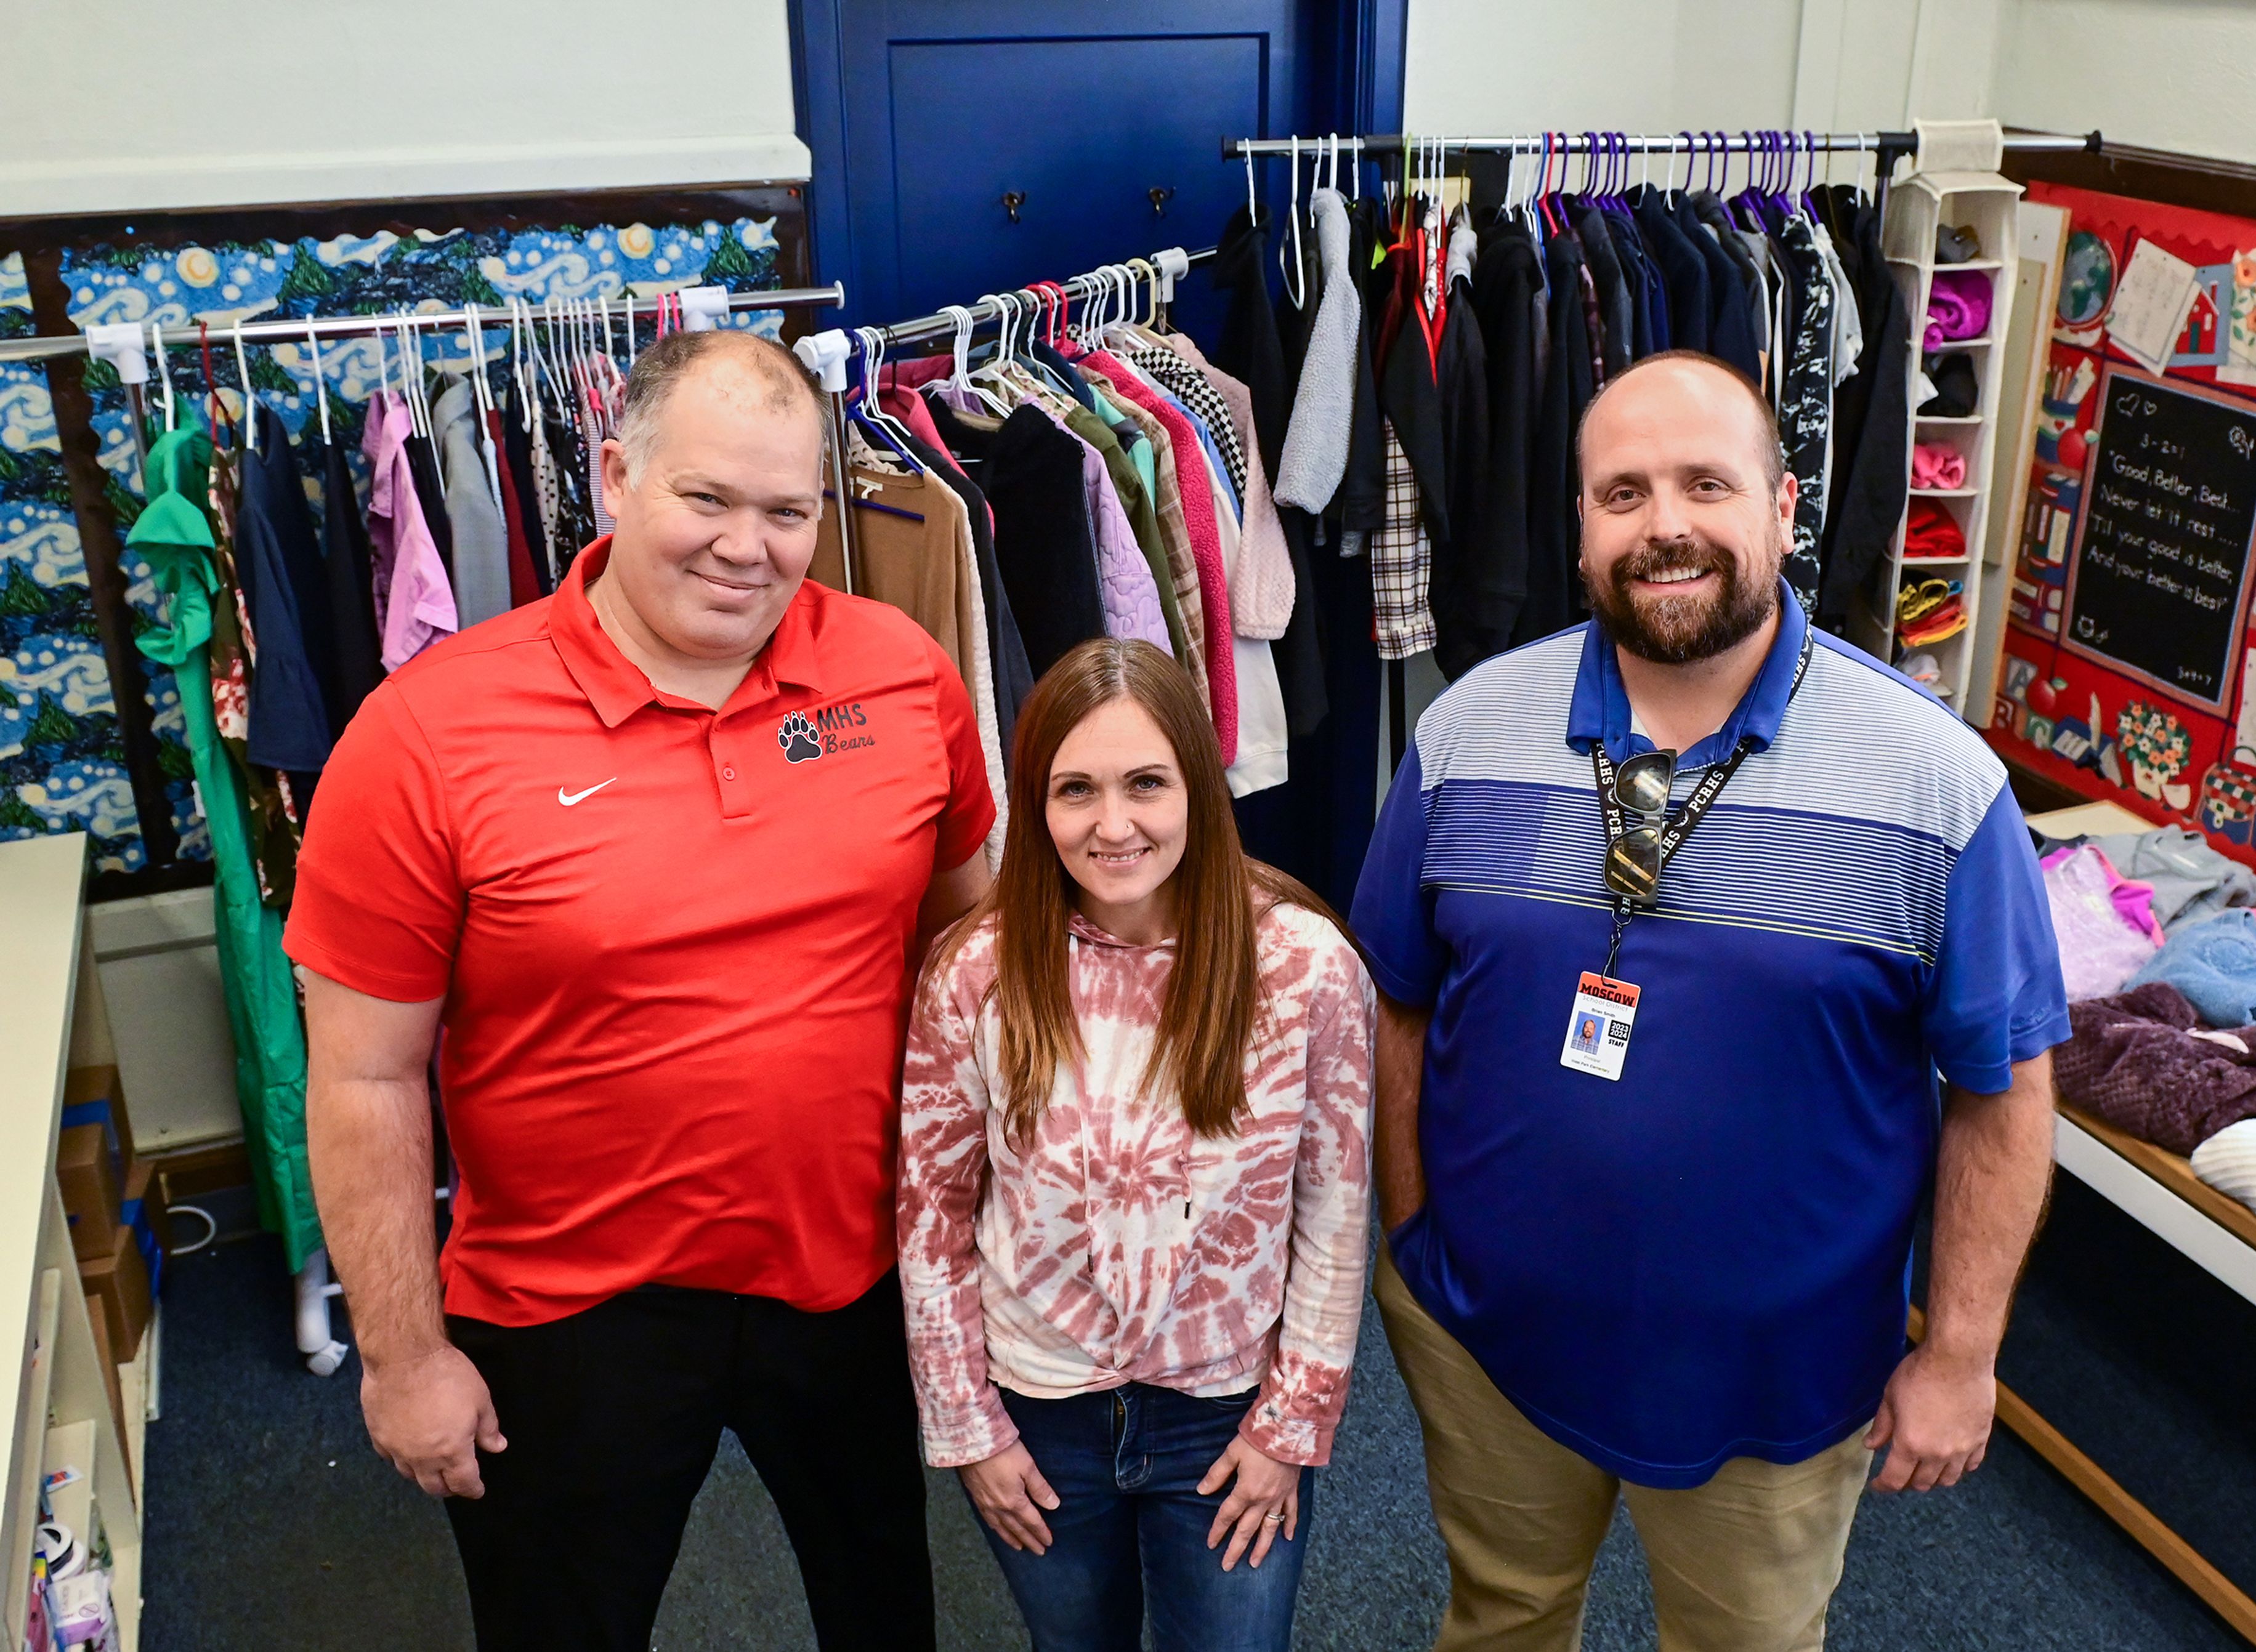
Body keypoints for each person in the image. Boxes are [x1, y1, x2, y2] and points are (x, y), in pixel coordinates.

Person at [289, 329, 995, 1652]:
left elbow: (967, 957)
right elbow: (364, 1071)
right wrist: (399, 1355)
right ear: (615, 475)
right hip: (569, 1305)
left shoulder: (901, 674)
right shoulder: (431, 731)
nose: (749, 547)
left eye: (788, 511)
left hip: (848, 1272)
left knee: (886, 1607)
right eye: (708, 499)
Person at [1351, 351, 2069, 1652]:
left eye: (1705, 483)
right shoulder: (1464, 738)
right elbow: (1399, 997)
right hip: (1493, 1342)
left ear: (1786, 509)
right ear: (1578, 529)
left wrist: (1961, 1353)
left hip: (1781, 1382)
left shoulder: (1936, 784)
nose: (1664, 524)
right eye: (1622, 492)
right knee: (1501, 1615)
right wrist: (1412, 1243)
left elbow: (2003, 1085)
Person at [899, 637, 1375, 1652]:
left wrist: (1293, 1427)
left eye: (1147, 784)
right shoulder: (975, 973)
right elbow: (930, 1218)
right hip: (1038, 1413)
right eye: (1076, 791)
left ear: (1199, 786)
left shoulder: (1303, 966)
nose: (1113, 826)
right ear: (1034, 804)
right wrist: (967, 1427)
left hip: (1225, 1411)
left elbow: (1335, 1216)